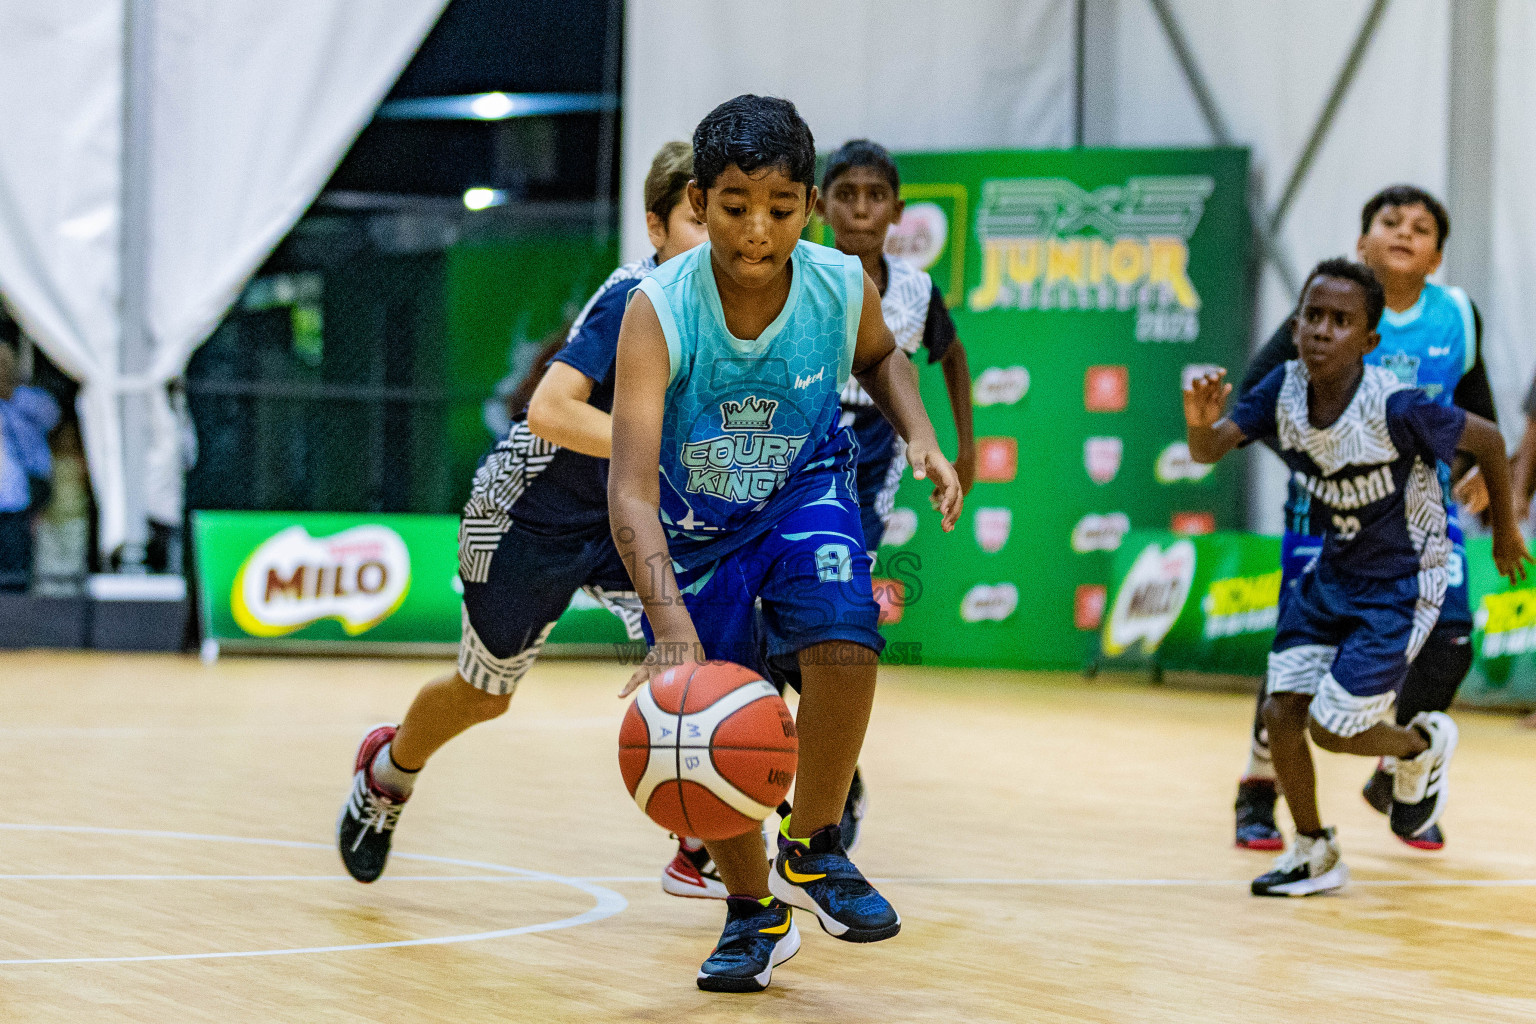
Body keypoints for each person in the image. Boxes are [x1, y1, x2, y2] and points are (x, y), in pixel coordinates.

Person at [609, 95, 961, 992]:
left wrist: (919, 433)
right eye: (733, 207)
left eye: (779, 207)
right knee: (706, 720)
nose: (757, 231)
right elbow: (630, 488)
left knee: (845, 636)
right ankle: (750, 910)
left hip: (805, 494)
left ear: (808, 204)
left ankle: (814, 842)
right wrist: (669, 627)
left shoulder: (841, 285)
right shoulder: (658, 309)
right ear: (698, 200)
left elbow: (884, 357)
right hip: (695, 531)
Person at [333, 140, 708, 883]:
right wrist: (658, 452)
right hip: (528, 519)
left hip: (627, 522)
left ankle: (704, 836)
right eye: (698, 219)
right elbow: (548, 411)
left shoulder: (744, 313)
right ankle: (388, 770)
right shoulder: (635, 300)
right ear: (656, 229)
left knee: (696, 654)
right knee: (484, 696)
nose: (723, 236)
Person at [1185, 258, 1528, 897]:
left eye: (1340, 321)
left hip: (1405, 579)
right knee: (1283, 710)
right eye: (1312, 316)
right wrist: (1200, 421)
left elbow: (1486, 437)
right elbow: (1208, 451)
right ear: (1294, 327)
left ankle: (1418, 745)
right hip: (1337, 568)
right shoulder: (1282, 392)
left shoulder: (1397, 408)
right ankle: (1314, 849)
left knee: (1333, 727)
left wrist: (1505, 532)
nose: (1321, 330)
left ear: (1369, 342)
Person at [1231, 186, 1499, 852]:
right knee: (1294, 661)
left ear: (1437, 254)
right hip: (1325, 513)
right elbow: (1253, 400)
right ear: (1362, 240)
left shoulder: (1457, 315)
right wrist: (1315, 462)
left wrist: (1471, 468)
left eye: (1421, 226)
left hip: (1415, 513)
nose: (1404, 232)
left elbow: (1474, 401)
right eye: (1389, 221)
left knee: (1452, 639)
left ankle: (1396, 763)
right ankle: (1258, 787)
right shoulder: (1327, 309)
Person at [0, 336, 60, 592]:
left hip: (16, 500)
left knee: (14, 574)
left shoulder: (24, 401)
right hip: (14, 497)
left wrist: (11, 395)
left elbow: (51, 415)